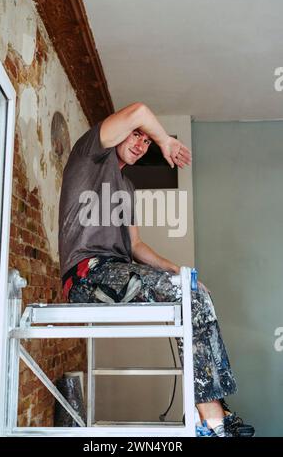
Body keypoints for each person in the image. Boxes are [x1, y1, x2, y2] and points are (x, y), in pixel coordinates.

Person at [58, 102, 254, 437]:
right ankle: (213, 422)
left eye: (147, 141)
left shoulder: (127, 188)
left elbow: (135, 246)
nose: (140, 143)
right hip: (87, 275)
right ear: (117, 132)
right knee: (185, 295)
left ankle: (208, 412)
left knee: (194, 294)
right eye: (136, 135)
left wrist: (179, 270)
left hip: (117, 270)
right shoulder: (89, 153)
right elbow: (138, 110)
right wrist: (165, 140)